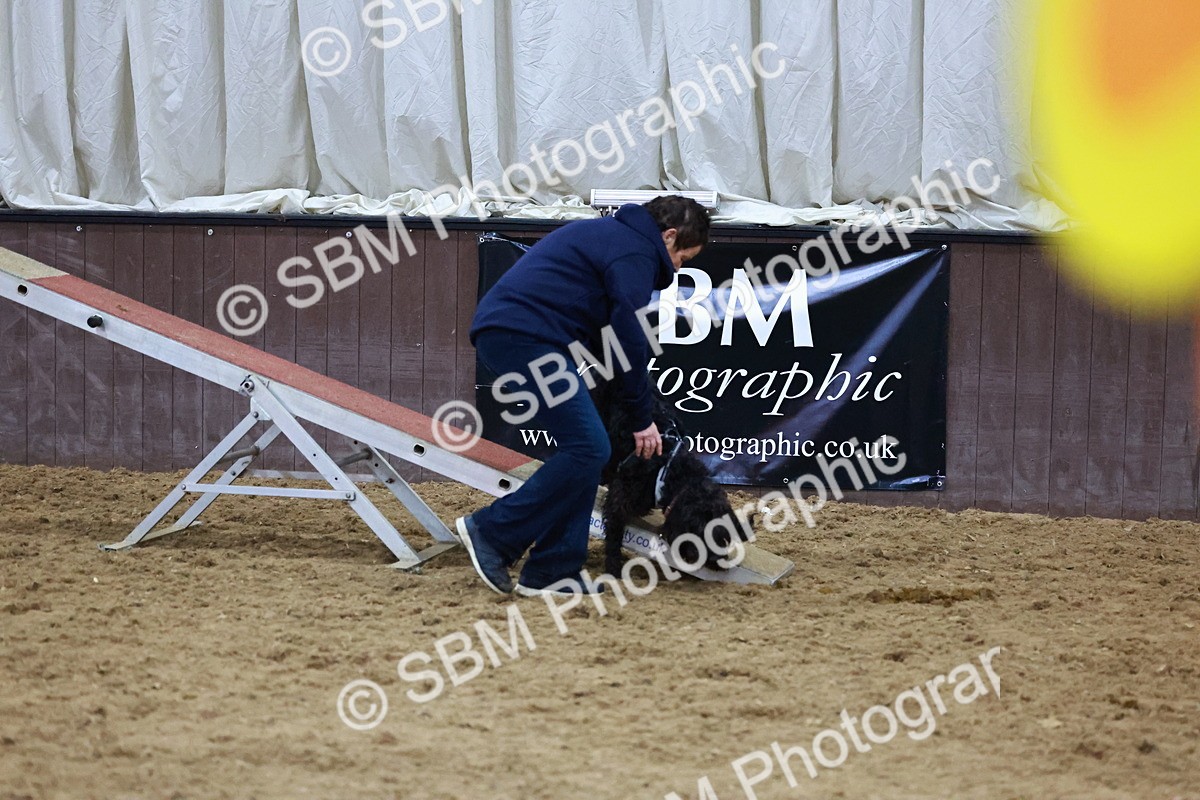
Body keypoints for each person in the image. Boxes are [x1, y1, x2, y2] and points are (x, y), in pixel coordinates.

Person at [456, 196, 710, 597]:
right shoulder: (636, 251)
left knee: (588, 450)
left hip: (520, 335)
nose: (678, 267)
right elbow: (627, 335)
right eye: (683, 256)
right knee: (590, 447)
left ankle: (553, 570)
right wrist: (641, 417)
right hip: (523, 338)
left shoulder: (611, 237)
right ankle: (491, 531)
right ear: (670, 235)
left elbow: (604, 331)